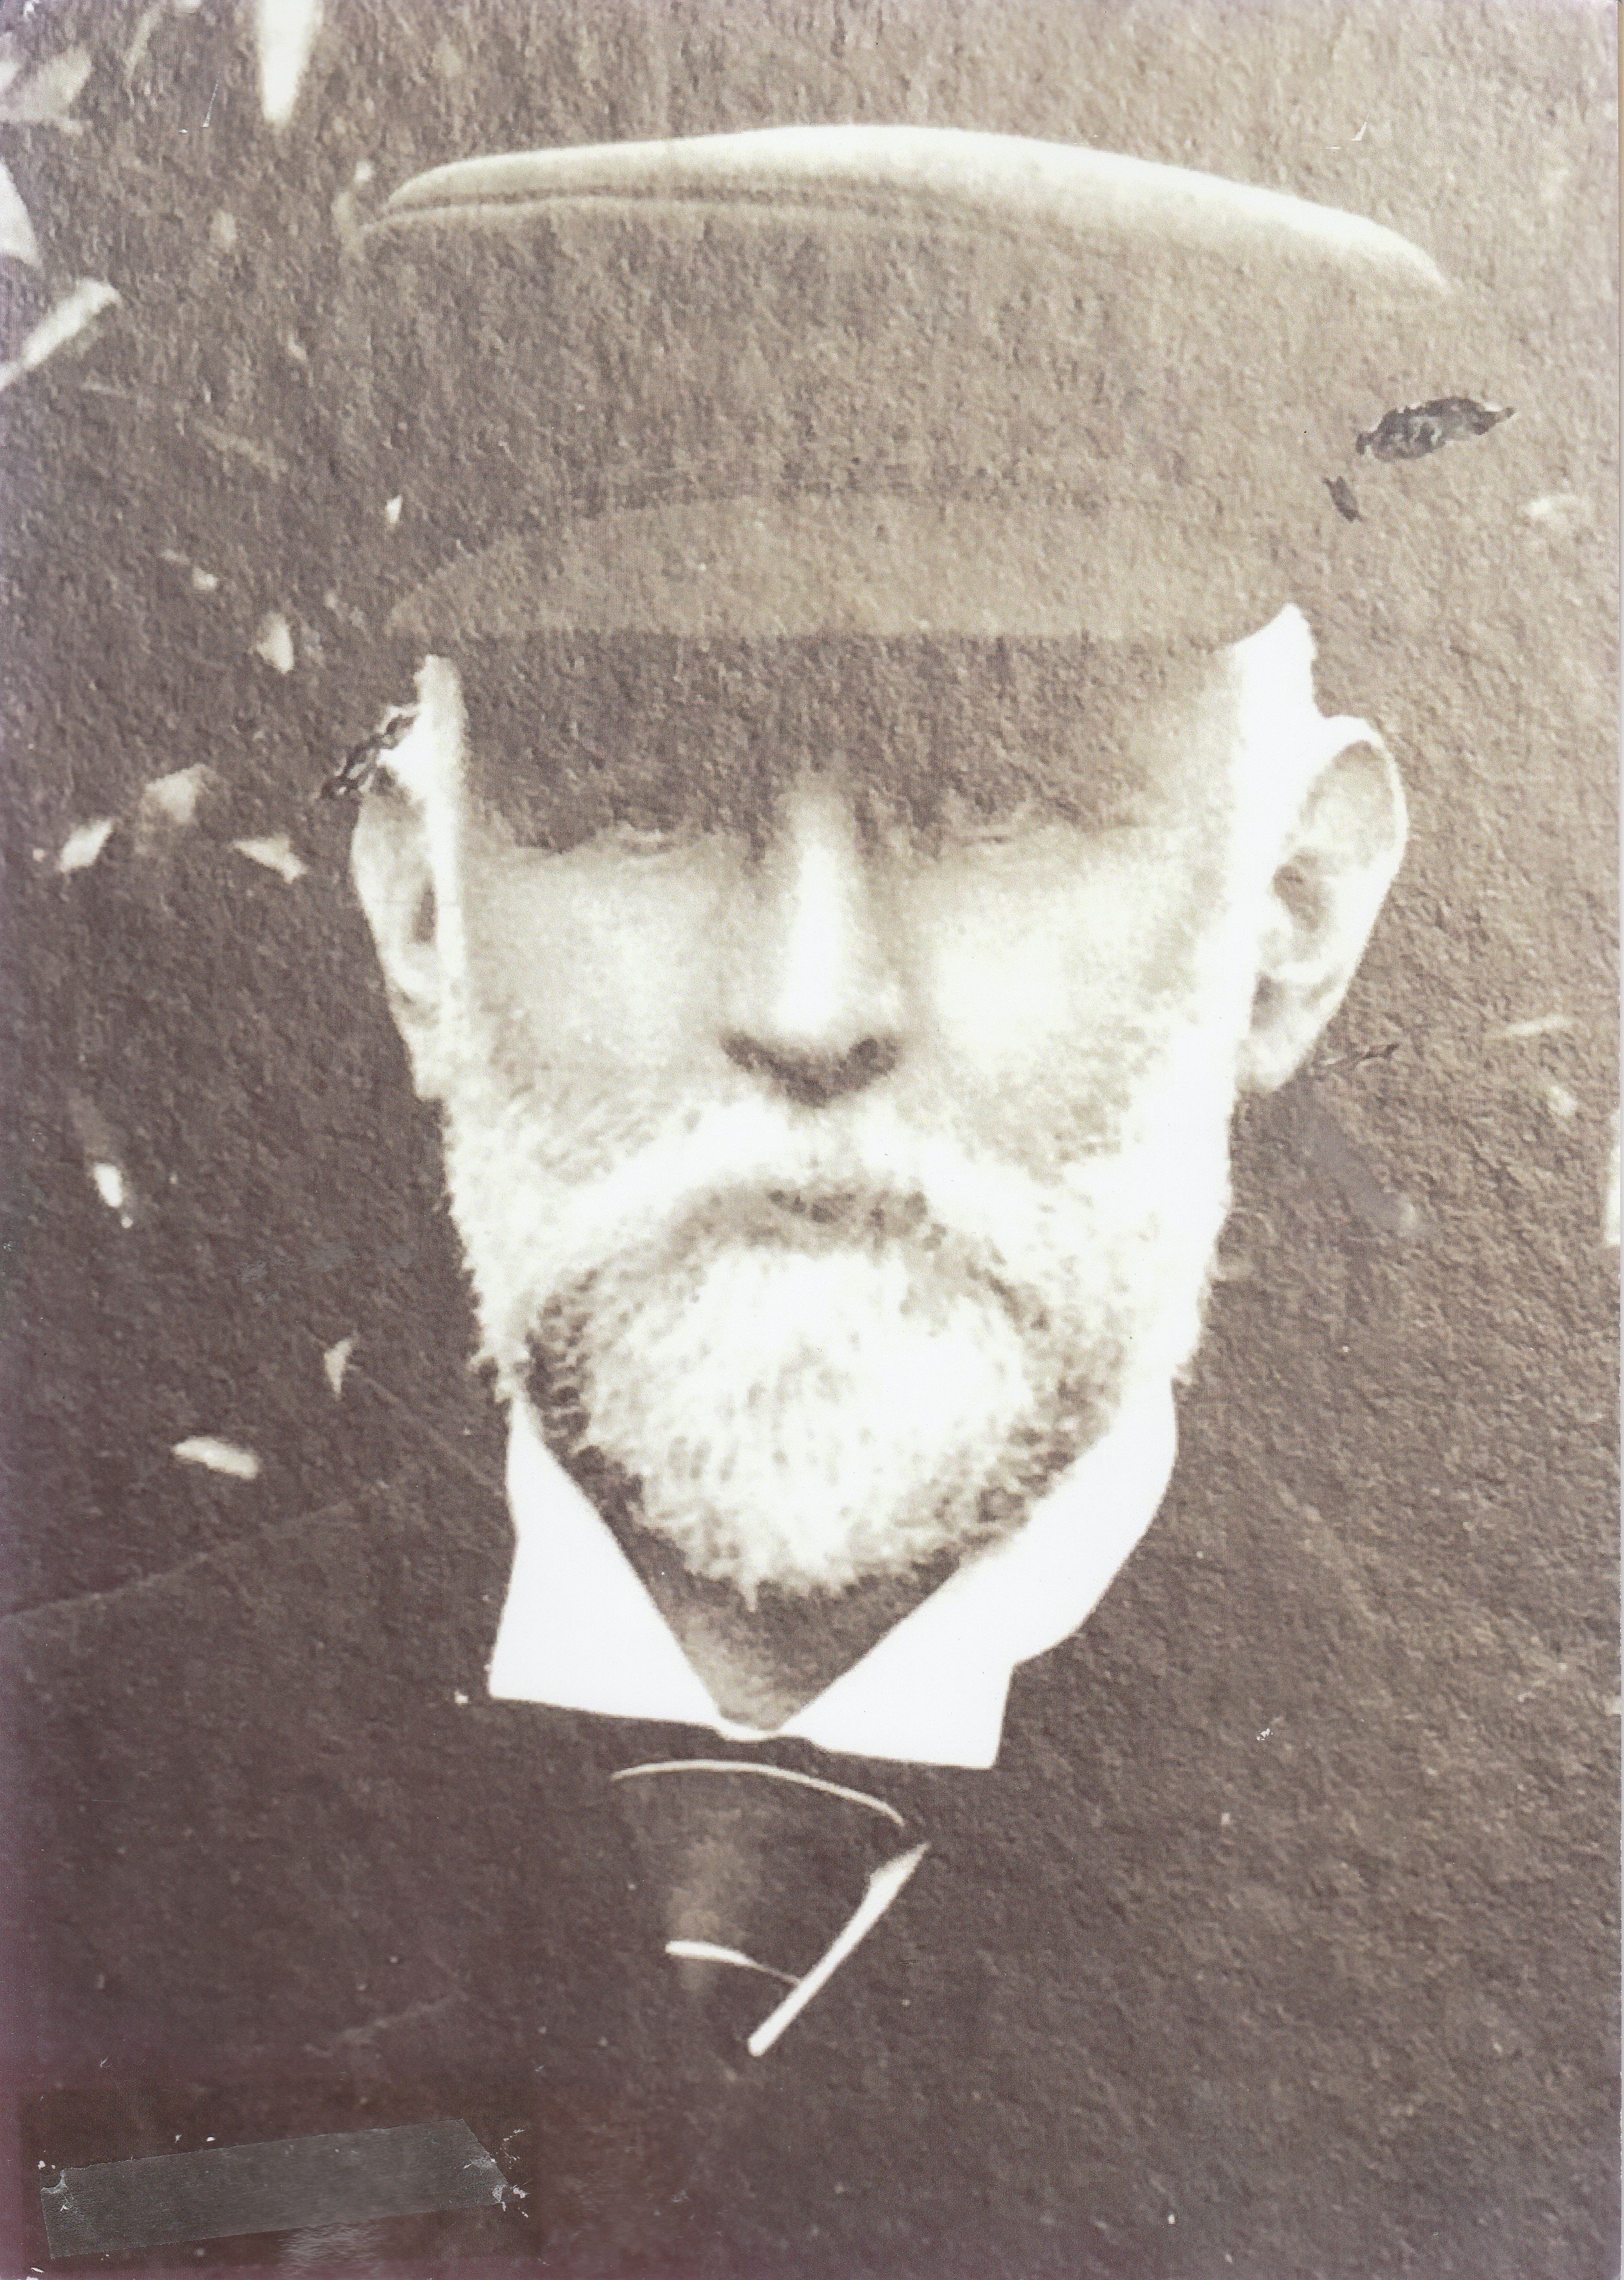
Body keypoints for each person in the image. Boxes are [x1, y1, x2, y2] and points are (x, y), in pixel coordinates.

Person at [7, 126, 1526, 2276]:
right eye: (637, 794)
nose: (813, 1005)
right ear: (424, 912)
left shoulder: (1565, 1933)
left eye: (997, 794)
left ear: (1288, 918)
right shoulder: (46, 1819)